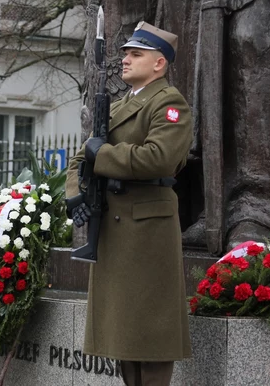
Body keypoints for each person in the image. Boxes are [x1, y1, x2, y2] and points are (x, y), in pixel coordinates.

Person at [65, 22, 192, 386]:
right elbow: (78, 160)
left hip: (147, 230)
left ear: (159, 64)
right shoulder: (119, 105)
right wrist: (76, 197)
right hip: (114, 230)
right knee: (124, 334)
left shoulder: (169, 103)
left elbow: (159, 158)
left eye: (136, 54)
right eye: (125, 53)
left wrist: (101, 153)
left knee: (151, 335)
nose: (125, 59)